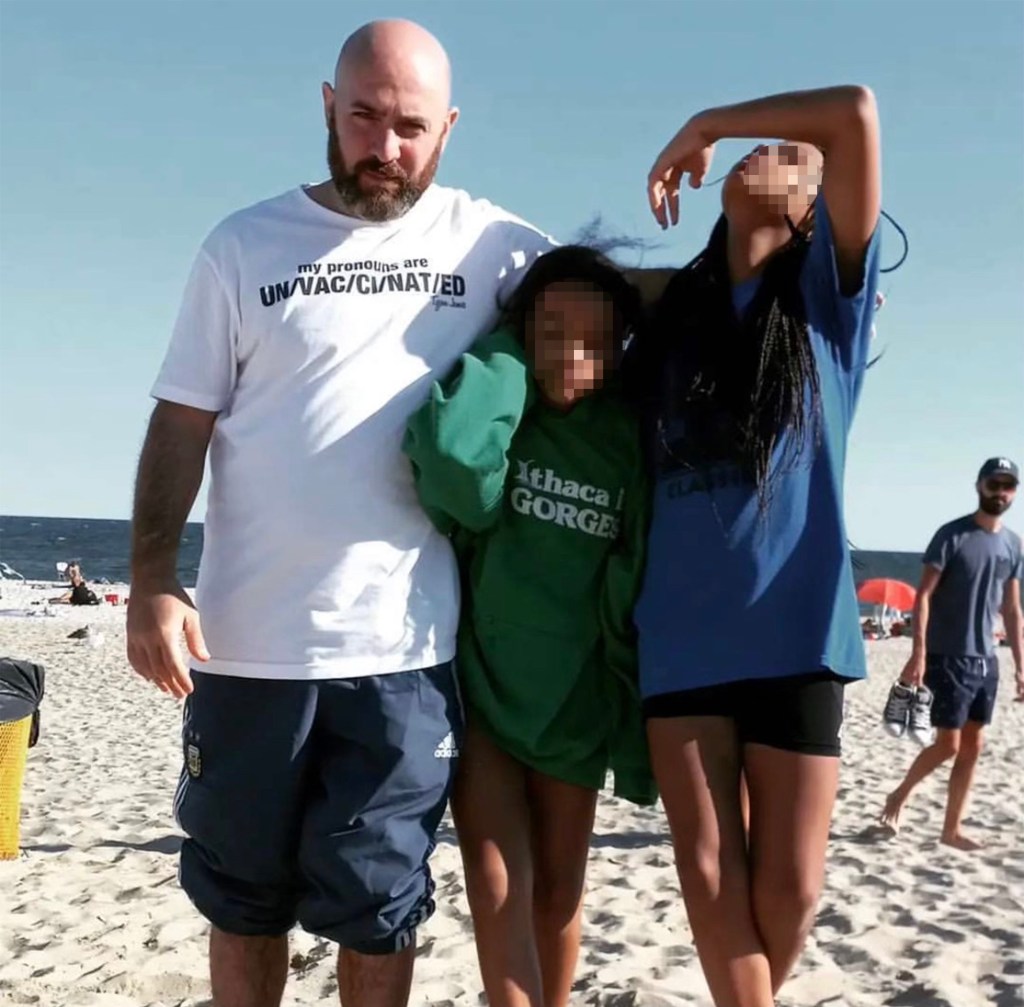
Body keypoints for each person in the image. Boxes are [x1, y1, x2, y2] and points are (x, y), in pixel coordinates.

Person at [125, 20, 554, 1007]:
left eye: (409, 126)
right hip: (243, 650)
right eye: (363, 117)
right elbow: (181, 418)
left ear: (447, 128)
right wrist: (150, 576)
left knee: (378, 904)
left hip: (403, 654)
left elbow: (613, 312)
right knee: (241, 900)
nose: (385, 147)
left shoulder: (491, 244)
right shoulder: (243, 244)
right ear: (328, 106)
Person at [623, 85, 882, 1007]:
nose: (765, 152)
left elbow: (852, 110)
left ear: (815, 203)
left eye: (787, 152)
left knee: (792, 888)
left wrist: (704, 123)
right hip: (683, 634)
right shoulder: (670, 318)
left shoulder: (831, 303)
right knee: (705, 869)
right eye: (754, 147)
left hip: (799, 632)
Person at [403, 246, 655, 1007]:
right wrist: (513, 353)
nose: (572, 352)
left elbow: (638, 569)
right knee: (497, 883)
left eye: (593, 336)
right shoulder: (509, 418)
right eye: (551, 330)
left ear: (619, 347)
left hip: (575, 709)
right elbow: (450, 462)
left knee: (559, 896)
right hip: (483, 697)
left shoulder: (627, 439)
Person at [880, 457, 1023, 849]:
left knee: (973, 747)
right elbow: (922, 596)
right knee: (949, 744)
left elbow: (1012, 609)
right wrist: (919, 653)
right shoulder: (952, 535)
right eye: (994, 484)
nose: (1000, 492)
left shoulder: (1012, 544)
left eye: (1008, 486)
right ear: (980, 486)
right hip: (949, 656)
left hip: (987, 659)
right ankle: (900, 794)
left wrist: (1021, 668)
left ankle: (951, 829)